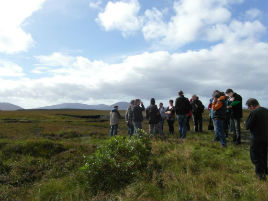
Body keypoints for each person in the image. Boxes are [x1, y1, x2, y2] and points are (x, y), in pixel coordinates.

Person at [245, 98, 268, 181]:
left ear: (252, 106)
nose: (248, 109)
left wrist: (245, 122)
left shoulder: (254, 112)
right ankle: (265, 170)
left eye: (248, 107)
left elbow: (247, 125)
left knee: (256, 157)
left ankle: (260, 175)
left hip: (256, 138)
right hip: (266, 137)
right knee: (263, 155)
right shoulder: (266, 110)